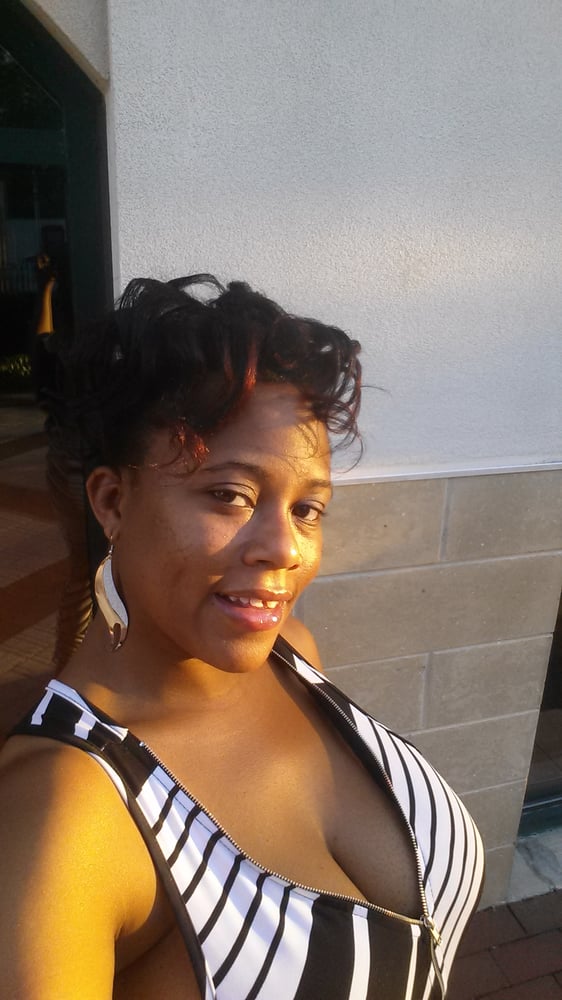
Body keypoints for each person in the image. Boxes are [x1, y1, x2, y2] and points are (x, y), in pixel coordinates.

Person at [0, 275, 484, 1000]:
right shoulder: (66, 811)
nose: (284, 548)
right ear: (112, 500)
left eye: (307, 509)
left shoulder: (294, 655)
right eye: (230, 495)